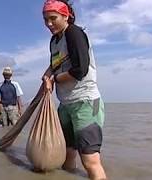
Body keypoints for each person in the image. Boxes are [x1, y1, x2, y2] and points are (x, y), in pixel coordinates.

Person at [41, 0, 107, 179]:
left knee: (90, 161)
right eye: (45, 20)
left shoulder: (74, 33)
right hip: (66, 105)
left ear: (66, 16)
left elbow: (80, 69)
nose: (49, 24)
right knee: (67, 154)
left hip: (86, 102)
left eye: (53, 18)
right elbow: (54, 64)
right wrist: (47, 76)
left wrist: (54, 79)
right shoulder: (54, 41)